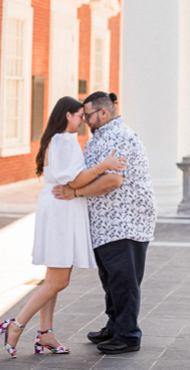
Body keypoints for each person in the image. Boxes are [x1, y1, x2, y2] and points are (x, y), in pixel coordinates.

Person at [0, 96, 127, 358]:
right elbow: (77, 180)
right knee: (59, 280)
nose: (83, 121)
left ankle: (46, 334)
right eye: (80, 116)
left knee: (52, 278)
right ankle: (16, 325)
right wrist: (104, 166)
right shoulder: (66, 140)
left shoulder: (54, 139)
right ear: (68, 115)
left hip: (55, 208)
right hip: (62, 211)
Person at [52, 91, 156, 355]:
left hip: (125, 221)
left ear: (103, 112)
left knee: (124, 281)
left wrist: (75, 192)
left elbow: (113, 181)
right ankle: (115, 327)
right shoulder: (100, 137)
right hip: (107, 222)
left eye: (87, 115)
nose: (84, 120)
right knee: (110, 280)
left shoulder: (119, 136)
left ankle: (128, 335)